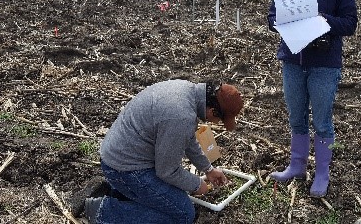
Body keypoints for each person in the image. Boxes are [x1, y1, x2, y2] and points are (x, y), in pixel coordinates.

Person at [267, 0, 358, 198]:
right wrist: (282, 22)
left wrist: (322, 21)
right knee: (296, 117)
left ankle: (322, 172)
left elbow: (350, 23)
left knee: (322, 121)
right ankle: (297, 165)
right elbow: (271, 17)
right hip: (293, 60)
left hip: (324, 64)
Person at [77, 79, 244, 223]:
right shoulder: (181, 116)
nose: (217, 123)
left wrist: (208, 169)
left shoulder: (186, 91)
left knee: (172, 198)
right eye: (220, 119)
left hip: (120, 157)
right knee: (183, 214)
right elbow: (167, 171)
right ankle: (104, 211)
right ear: (212, 110)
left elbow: (187, 138)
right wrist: (196, 185)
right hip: (125, 169)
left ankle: (119, 194)